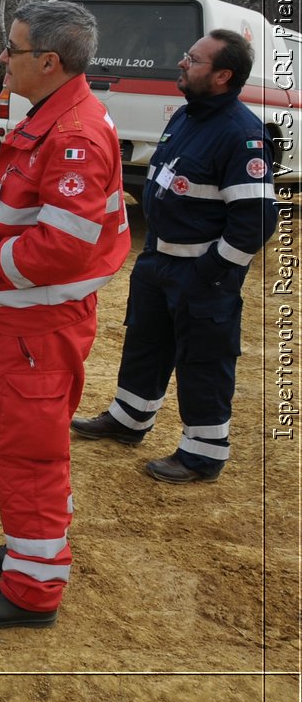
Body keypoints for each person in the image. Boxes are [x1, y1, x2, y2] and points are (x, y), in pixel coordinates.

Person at [0, 0, 131, 629]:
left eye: (13, 48)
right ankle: (30, 550)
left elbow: (62, 245)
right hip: (32, 326)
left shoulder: (74, 133)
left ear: (48, 62)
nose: (4, 57)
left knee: (32, 454)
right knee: (29, 447)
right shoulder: (60, 116)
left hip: (39, 328)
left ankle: (32, 589)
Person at [71, 29, 279, 483]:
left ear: (223, 75)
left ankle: (203, 453)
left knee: (203, 359)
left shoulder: (242, 135)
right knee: (146, 342)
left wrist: (213, 272)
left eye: (194, 59)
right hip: (157, 262)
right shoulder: (187, 116)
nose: (182, 63)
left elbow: (256, 222)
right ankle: (129, 419)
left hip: (202, 274)